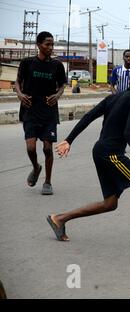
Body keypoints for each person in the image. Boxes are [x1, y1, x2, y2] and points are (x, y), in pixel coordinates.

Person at [48, 66, 130, 251]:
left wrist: (69, 140)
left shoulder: (113, 97)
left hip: (100, 150)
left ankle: (59, 219)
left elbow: (88, 117)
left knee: (110, 203)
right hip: (111, 154)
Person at [15, 31, 66, 196]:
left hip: (49, 112)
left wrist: (57, 96)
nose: (51, 47)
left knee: (47, 148)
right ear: (39, 45)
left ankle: (48, 181)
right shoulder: (27, 63)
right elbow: (17, 82)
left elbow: (62, 85)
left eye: (52, 44)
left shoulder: (57, 65)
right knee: (30, 148)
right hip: (30, 110)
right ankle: (36, 167)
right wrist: (20, 95)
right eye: (47, 44)